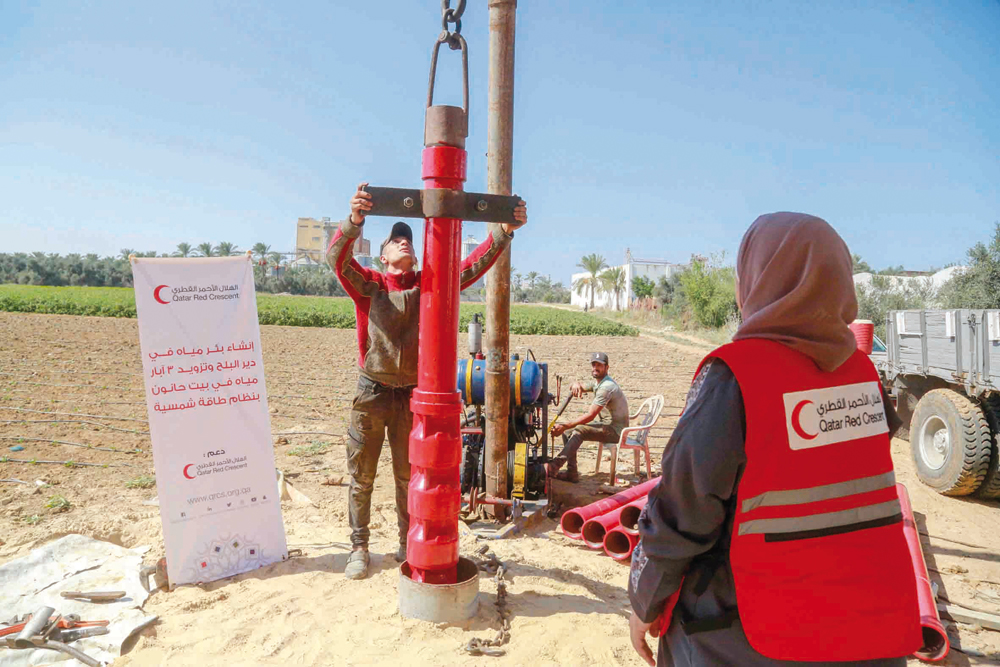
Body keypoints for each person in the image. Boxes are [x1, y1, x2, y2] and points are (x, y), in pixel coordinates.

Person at [627, 213, 922, 666]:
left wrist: (644, 602)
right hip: (871, 627)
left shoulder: (736, 375)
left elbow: (682, 514)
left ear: (756, 280)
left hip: (758, 633)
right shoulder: (864, 376)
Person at [328, 182, 528, 580]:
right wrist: (353, 223)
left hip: (409, 398)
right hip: (372, 392)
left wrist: (503, 233)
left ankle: (407, 542)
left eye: (408, 240)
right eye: (395, 241)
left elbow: (470, 266)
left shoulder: (429, 285)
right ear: (382, 256)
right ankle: (359, 545)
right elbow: (336, 258)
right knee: (362, 476)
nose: (403, 242)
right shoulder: (368, 285)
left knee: (408, 476)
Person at [548, 352, 630, 483]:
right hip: (606, 426)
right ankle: (572, 473)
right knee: (568, 432)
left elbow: (590, 415)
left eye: (599, 365)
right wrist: (576, 384)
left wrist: (565, 425)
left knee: (579, 430)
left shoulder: (606, 387)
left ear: (607, 368)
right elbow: (581, 386)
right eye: (594, 364)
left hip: (616, 431)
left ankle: (554, 466)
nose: (595, 368)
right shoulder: (599, 383)